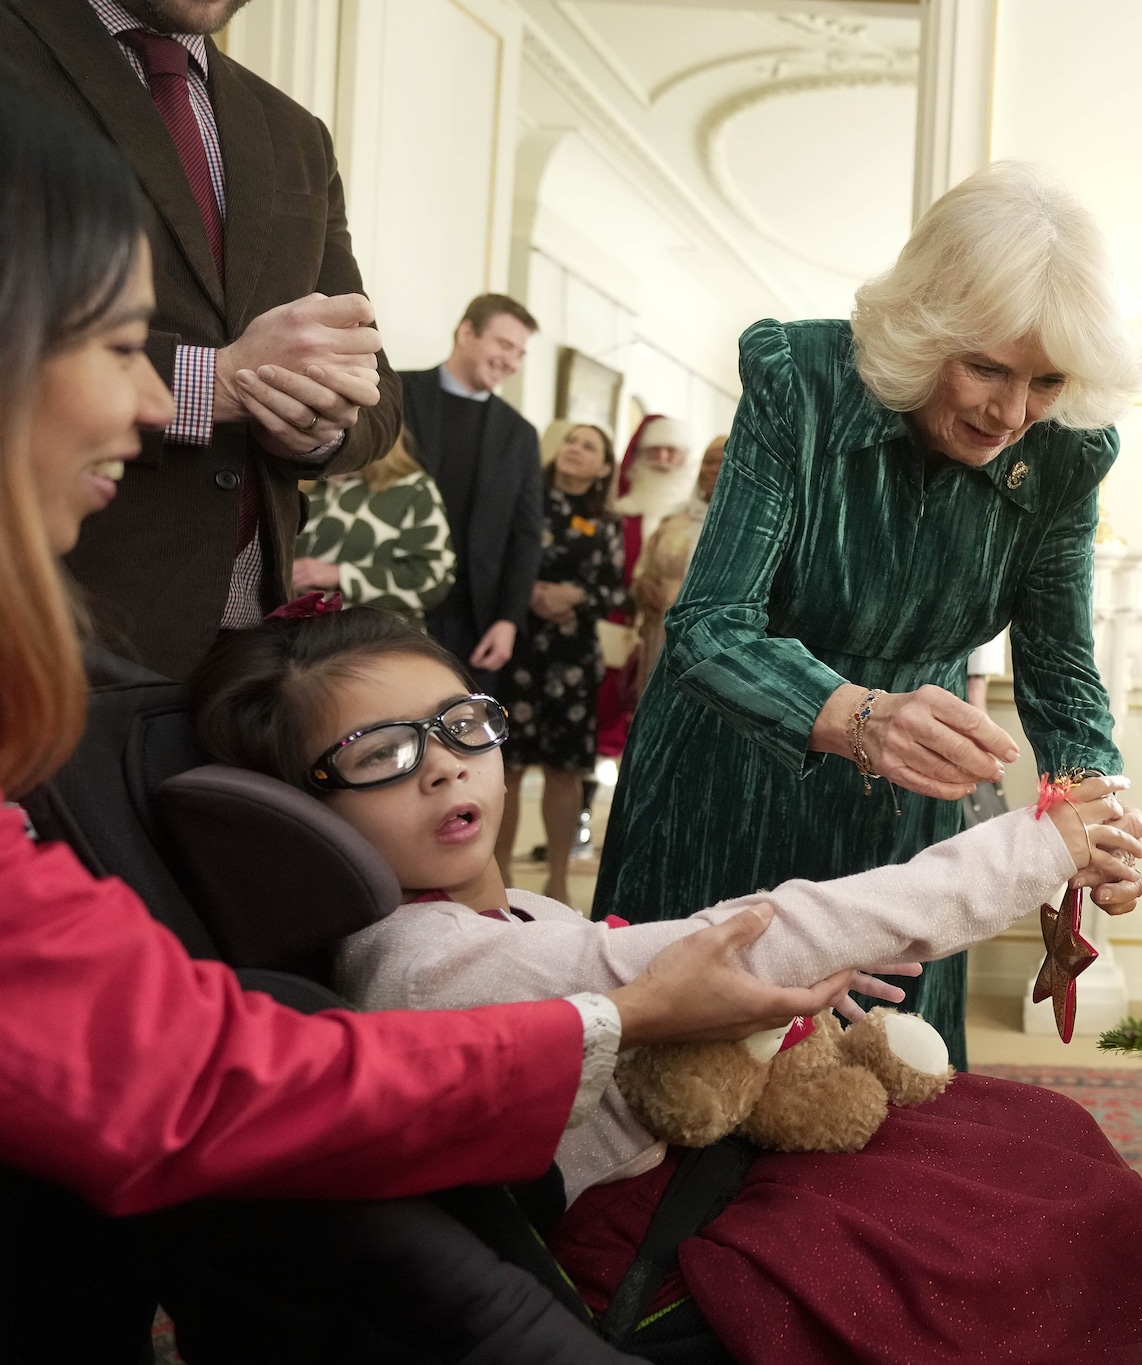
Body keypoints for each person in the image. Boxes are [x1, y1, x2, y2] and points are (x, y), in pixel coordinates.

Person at [0, 72, 855, 1224]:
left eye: (460, 732)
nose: (155, 408)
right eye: (119, 349)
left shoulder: (285, 137)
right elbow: (192, 1083)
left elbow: (193, 1058)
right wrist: (630, 1020)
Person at [188, 605, 1142, 1365]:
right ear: (307, 812)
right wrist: (1029, 856)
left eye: (461, 725)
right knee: (1016, 1203)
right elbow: (744, 939)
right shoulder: (422, 961)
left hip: (693, 1166)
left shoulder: (510, 918)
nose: (445, 768)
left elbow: (678, 995)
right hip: (654, 1232)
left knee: (1020, 1135)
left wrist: (786, 998)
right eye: (380, 753)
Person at [594, 162, 1142, 1067]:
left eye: (1046, 380)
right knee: (689, 1087)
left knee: (887, 1087)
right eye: (986, 369)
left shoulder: (1065, 454)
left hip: (903, 815)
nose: (1014, 413)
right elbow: (708, 625)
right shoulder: (803, 383)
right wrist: (859, 714)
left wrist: (1096, 801)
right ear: (927, 329)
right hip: (726, 779)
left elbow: (1061, 668)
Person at [2, 0, 400, 679]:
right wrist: (209, 383)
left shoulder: (298, 135)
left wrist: (311, 422)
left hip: (247, 663)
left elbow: (377, 396)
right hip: (45, 633)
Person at [496, 420, 628, 902]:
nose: (575, 449)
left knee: (564, 769)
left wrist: (574, 596)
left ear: (604, 467)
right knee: (506, 767)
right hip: (518, 649)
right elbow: (499, 556)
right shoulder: (526, 496)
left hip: (572, 659)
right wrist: (526, 592)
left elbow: (616, 588)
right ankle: (501, 874)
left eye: (588, 446)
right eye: (571, 441)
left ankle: (556, 876)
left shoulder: (607, 522)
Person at [400, 294, 543, 692]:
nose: (511, 361)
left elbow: (526, 536)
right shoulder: (395, 391)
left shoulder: (520, 434)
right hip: (389, 598)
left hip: (473, 621)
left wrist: (508, 620)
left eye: (520, 353)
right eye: (504, 344)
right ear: (466, 332)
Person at [595, 414, 698, 758]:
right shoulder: (618, 516)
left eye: (673, 451)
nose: (664, 460)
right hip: (615, 627)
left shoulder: (697, 518)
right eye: (656, 451)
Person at [291, 430, 454, 626]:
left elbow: (433, 580)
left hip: (374, 639)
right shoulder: (300, 482)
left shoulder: (413, 489)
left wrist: (341, 575)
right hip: (296, 638)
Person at [629, 429, 726, 694]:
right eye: (708, 461)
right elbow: (645, 568)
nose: (713, 469)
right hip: (659, 634)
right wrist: (643, 585)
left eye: (724, 460)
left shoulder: (745, 527)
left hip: (711, 642)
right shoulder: (675, 519)